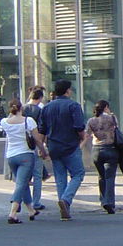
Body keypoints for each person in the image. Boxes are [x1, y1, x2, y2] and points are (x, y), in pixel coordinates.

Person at [38, 79, 87, 220]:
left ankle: (64, 210)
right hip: (70, 146)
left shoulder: (47, 108)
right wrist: (83, 137)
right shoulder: (73, 106)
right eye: (70, 89)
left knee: (60, 178)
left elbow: (42, 129)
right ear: (67, 91)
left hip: (53, 146)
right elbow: (79, 126)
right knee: (78, 174)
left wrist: (42, 148)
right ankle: (66, 200)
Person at [0, 98, 41, 224]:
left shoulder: (5, 122)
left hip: (11, 156)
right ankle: (12, 213)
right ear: (21, 108)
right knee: (21, 184)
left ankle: (31, 210)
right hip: (26, 156)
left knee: (23, 183)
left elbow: (8, 120)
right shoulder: (29, 121)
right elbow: (37, 139)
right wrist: (43, 151)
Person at [85, 100, 120, 214]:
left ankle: (102, 200)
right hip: (110, 148)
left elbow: (87, 134)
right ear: (106, 107)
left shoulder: (91, 120)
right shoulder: (112, 118)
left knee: (101, 176)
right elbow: (116, 129)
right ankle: (109, 202)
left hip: (97, 150)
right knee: (110, 177)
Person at [22, 86, 49, 211]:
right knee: (37, 176)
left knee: (24, 176)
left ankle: (23, 200)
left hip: (23, 146)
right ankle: (36, 202)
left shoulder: (22, 109)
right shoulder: (40, 111)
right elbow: (42, 130)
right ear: (40, 98)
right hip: (36, 144)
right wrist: (42, 147)